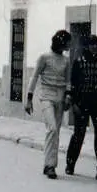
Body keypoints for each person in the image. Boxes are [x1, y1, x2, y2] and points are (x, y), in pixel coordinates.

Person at [25, 30, 72, 179]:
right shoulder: (44, 57)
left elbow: (68, 80)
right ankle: (49, 164)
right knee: (51, 128)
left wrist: (68, 97)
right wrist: (29, 98)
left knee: (56, 132)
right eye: (67, 42)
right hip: (46, 96)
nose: (69, 45)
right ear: (61, 42)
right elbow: (34, 77)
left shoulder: (66, 60)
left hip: (60, 97)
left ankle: (51, 165)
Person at [65, 35, 97, 181]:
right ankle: (70, 164)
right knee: (79, 134)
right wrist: (74, 103)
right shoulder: (79, 62)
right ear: (87, 46)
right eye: (93, 45)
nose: (96, 47)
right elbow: (73, 83)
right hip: (82, 102)